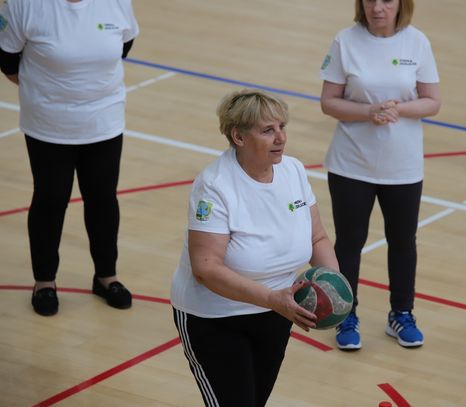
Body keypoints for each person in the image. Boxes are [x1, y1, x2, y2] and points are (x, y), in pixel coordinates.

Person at [170, 89, 340, 407]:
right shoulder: (214, 186)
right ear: (238, 136)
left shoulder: (293, 171)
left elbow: (317, 238)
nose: (281, 138)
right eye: (268, 130)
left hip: (276, 312)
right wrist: (273, 299)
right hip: (216, 318)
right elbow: (206, 268)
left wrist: (333, 285)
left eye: (282, 127)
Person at [0, 0, 139, 316]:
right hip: (48, 125)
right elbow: (7, 61)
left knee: (102, 198)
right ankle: (44, 282)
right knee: (50, 199)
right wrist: (51, 91)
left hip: (104, 121)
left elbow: (124, 45)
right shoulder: (25, 5)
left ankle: (106, 277)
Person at [319, 0, 441, 350]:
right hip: (350, 164)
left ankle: (401, 314)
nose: (377, 7)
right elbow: (329, 101)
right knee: (349, 242)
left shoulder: (417, 42)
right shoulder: (345, 41)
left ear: (401, 4)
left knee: (402, 241)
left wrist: (399, 109)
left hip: (403, 167)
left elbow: (432, 101)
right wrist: (368, 112)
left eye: (386, 0)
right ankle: (346, 315)